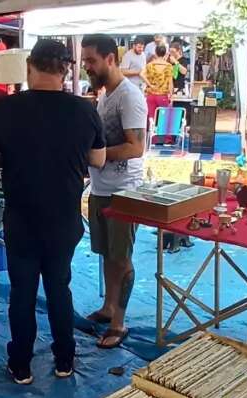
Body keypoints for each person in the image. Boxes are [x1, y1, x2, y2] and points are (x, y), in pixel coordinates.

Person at [0, 39, 106, 385]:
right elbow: (98, 159)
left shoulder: (5, 108)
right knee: (60, 288)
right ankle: (65, 360)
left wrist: (12, 157)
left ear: (29, 66)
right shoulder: (84, 110)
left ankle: (21, 365)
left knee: (22, 293)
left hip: (23, 218)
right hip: (63, 218)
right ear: (65, 70)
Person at [81, 34, 147, 349]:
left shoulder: (130, 97)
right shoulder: (106, 95)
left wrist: (97, 156)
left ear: (110, 58)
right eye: (84, 61)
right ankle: (108, 308)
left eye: (91, 61)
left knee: (122, 259)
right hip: (101, 188)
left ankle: (119, 323)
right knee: (107, 254)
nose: (86, 67)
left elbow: (136, 147)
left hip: (124, 193)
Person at [141, 44, 173, 122]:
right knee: (164, 119)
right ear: (165, 53)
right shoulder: (168, 66)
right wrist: (171, 95)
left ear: (155, 53)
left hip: (151, 95)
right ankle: (162, 134)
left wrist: (150, 85)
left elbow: (141, 74)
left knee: (151, 119)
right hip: (162, 96)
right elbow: (170, 82)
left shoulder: (150, 65)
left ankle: (151, 134)